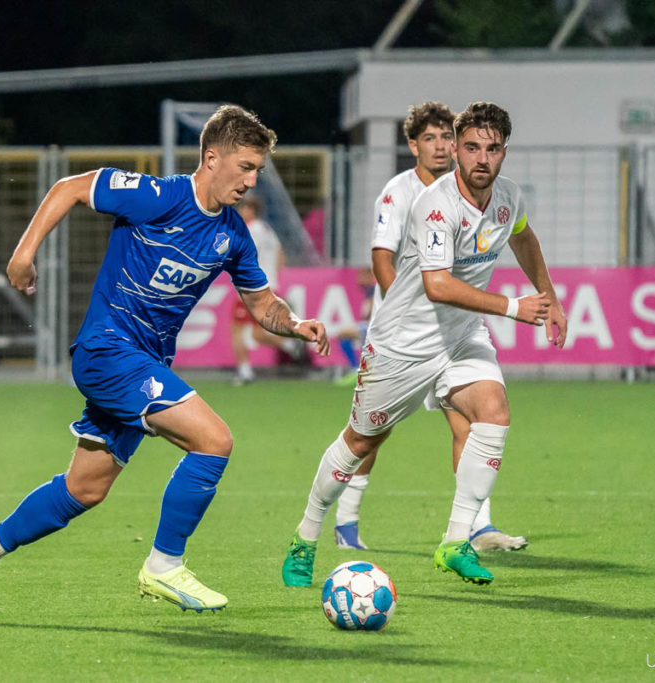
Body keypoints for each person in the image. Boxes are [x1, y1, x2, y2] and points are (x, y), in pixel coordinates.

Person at [0, 105, 329, 618]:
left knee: (85, 489)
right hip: (107, 351)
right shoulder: (157, 196)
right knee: (214, 440)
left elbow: (262, 304)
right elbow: (69, 187)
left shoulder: (234, 235)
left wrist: (296, 324)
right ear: (211, 157)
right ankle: (163, 565)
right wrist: (23, 253)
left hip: (144, 361)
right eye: (245, 166)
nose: (251, 179)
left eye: (257, 169)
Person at [282, 101, 567, 588]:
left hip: (461, 337)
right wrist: (514, 308)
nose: (482, 159)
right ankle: (306, 535)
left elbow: (523, 237)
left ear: (504, 152)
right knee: (360, 442)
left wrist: (550, 296)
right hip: (402, 344)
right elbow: (436, 285)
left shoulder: (509, 197)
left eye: (493, 149)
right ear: (456, 149)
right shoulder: (434, 204)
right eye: (472, 148)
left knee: (493, 412)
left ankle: (457, 542)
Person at [331, 102, 528, 554]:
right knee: (373, 432)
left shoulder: (476, 194)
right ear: (413, 145)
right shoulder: (400, 193)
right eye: (430, 139)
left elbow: (518, 232)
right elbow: (383, 256)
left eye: (445, 137)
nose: (440, 146)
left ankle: (476, 527)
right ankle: (346, 521)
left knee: (472, 423)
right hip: (404, 334)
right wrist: (405, 308)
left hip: (453, 329)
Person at [230, 193, 301, 384]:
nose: (241, 212)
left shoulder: (251, 230)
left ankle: (245, 372)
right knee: (257, 333)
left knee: (237, 329)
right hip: (269, 286)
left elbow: (243, 255)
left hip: (252, 287)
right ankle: (288, 344)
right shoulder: (269, 229)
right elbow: (280, 254)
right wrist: (273, 277)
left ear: (251, 210)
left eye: (244, 208)